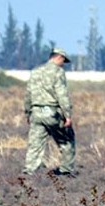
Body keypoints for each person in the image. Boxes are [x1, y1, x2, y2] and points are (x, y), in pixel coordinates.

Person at [23, 48, 76, 177]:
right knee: (67, 140)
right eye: (63, 61)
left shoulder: (35, 71)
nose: (63, 64)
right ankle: (66, 170)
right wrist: (67, 115)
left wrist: (28, 112)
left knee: (35, 145)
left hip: (36, 112)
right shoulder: (58, 72)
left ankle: (29, 172)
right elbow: (61, 94)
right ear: (59, 57)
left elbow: (28, 94)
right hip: (52, 113)